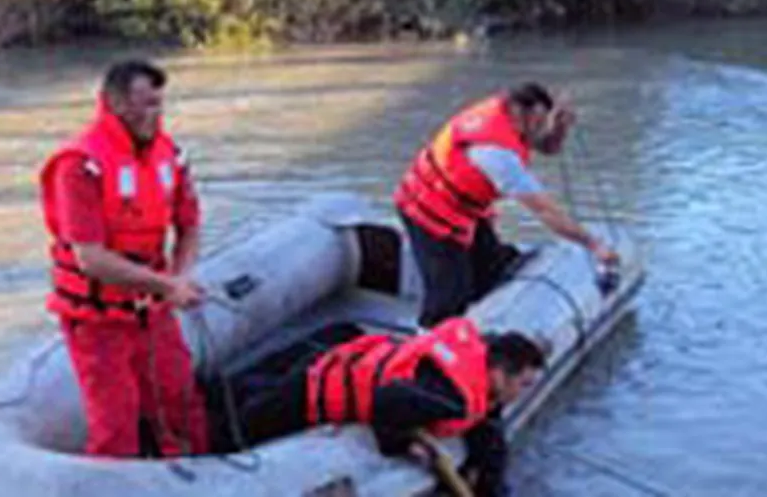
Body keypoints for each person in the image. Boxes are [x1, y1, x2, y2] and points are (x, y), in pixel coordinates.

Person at [38, 59, 208, 458]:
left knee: (180, 403)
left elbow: (190, 225)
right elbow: (91, 258)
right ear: (114, 104)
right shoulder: (79, 166)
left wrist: (180, 278)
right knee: (115, 426)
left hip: (153, 311)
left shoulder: (171, 155)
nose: (155, 114)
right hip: (98, 320)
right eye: (145, 104)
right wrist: (168, 285)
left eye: (158, 104)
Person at [223, 317, 545, 497]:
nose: (523, 392)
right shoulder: (451, 399)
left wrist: (493, 487)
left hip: (346, 357)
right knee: (238, 429)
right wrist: (404, 443)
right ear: (499, 373)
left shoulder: (480, 360)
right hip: (314, 388)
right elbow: (386, 402)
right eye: (523, 383)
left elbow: (489, 433)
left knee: (253, 391)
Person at [394, 83, 620, 327]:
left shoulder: (508, 116)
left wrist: (558, 128)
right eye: (539, 122)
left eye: (545, 121)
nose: (541, 128)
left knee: (492, 269)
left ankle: (480, 327)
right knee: (449, 296)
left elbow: (547, 146)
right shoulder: (495, 154)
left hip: (465, 206)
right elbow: (545, 211)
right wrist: (593, 244)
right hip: (427, 207)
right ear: (521, 113)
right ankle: (427, 345)